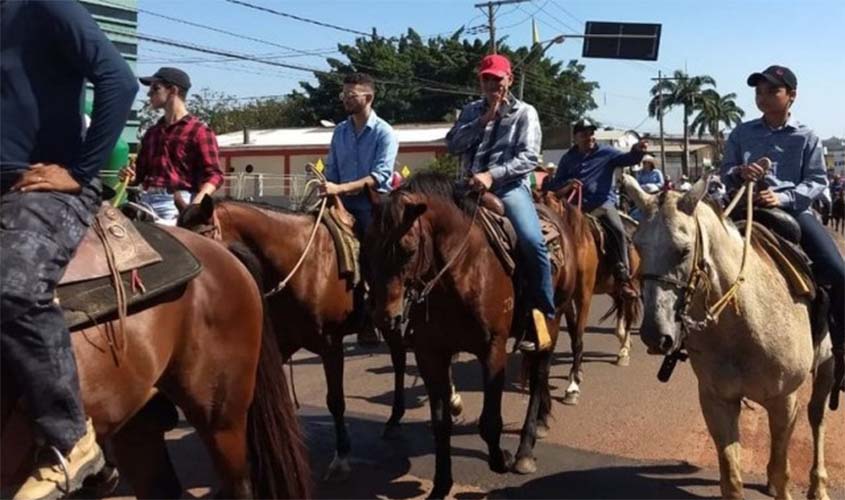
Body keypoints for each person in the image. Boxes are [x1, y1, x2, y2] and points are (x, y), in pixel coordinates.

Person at [0, 1, 138, 497]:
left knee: (11, 288)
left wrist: (79, 174)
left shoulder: (44, 6)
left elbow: (119, 81)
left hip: (40, 186)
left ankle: (69, 436)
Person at [720, 64, 845, 398]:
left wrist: (784, 196)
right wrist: (738, 173)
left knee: (838, 271)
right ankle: (687, 339)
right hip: (746, 206)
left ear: (791, 95)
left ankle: (842, 349)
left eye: (771, 90)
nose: (762, 97)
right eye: (758, 91)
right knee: (702, 255)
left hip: (793, 212)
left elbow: (817, 181)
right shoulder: (742, 133)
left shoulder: (806, 136)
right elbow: (725, 170)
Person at [446, 54, 553, 352]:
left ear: (510, 80)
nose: (492, 84)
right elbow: (452, 144)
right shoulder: (470, 111)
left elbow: (529, 157)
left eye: (497, 78)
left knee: (532, 242)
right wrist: (483, 121)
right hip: (466, 187)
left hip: (507, 188)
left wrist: (492, 176)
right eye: (486, 79)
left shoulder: (524, 112)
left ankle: (540, 312)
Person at [322, 72, 399, 346]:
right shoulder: (340, 131)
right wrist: (328, 190)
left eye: (351, 95)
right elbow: (331, 169)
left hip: (372, 204)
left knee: (371, 258)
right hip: (341, 200)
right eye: (344, 94)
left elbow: (379, 177)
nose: (345, 99)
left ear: (368, 97)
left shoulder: (384, 132)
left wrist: (340, 189)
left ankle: (372, 312)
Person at [544, 119, 647, 300]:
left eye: (591, 133)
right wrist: (567, 184)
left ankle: (623, 276)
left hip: (601, 205)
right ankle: (550, 272)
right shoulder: (568, 158)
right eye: (584, 134)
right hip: (574, 208)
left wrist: (637, 151)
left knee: (617, 230)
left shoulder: (607, 153)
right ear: (575, 137)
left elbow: (627, 159)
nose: (589, 137)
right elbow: (556, 184)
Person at [120, 67, 223, 225]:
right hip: (144, 200)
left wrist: (195, 205)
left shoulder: (200, 132)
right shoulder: (152, 133)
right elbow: (139, 175)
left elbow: (215, 175)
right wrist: (132, 177)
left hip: (175, 204)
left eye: (155, 88)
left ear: (173, 90)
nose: (149, 94)